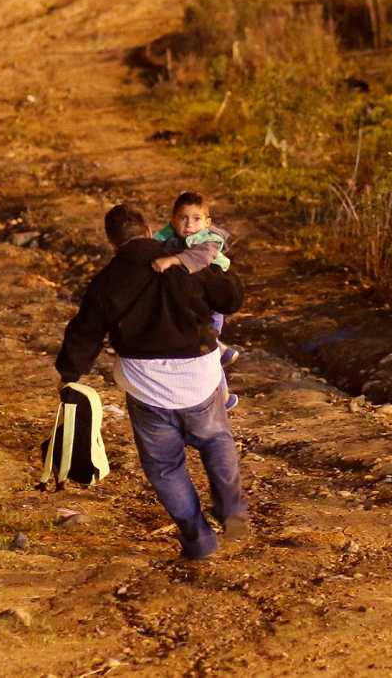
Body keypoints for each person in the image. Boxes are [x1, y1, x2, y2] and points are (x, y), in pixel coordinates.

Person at [55, 204, 249, 560]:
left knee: (164, 467)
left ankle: (199, 539)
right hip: (199, 375)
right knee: (216, 439)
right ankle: (232, 508)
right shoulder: (181, 259)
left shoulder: (107, 280)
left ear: (112, 242)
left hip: (147, 386)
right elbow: (231, 298)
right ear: (148, 229)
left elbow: (86, 332)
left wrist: (70, 373)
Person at [149, 191, 241, 410]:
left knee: (206, 351)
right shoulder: (166, 238)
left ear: (207, 222)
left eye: (196, 219)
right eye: (183, 218)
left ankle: (219, 354)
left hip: (212, 301)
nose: (189, 224)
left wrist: (172, 259)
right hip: (191, 301)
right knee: (201, 349)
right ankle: (222, 391)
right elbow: (150, 251)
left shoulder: (209, 240)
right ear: (173, 219)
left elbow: (200, 258)